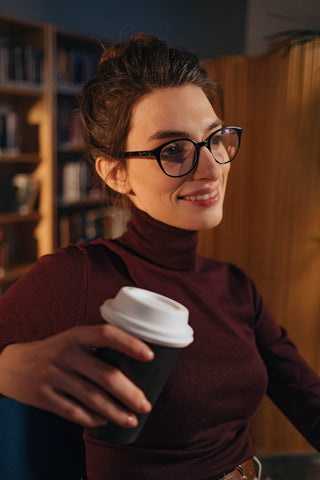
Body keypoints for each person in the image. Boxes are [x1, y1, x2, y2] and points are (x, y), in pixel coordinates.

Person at [0, 33, 320, 480]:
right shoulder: (80, 276)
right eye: (173, 150)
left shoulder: (235, 287)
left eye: (215, 138)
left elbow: (310, 403)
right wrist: (6, 368)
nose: (211, 168)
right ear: (115, 173)